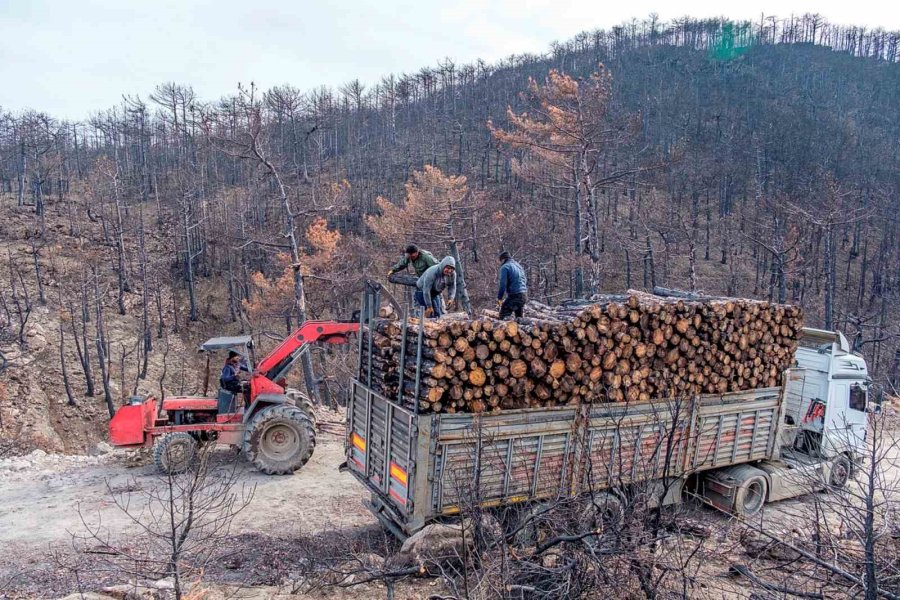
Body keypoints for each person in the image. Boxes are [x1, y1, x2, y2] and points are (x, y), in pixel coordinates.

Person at [496, 250, 527, 319]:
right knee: (519, 318)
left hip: (515, 295)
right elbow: (525, 280)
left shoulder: (505, 267)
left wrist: (499, 298)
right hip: (524, 295)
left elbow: (502, 284)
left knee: (504, 313)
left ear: (503, 259)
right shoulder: (518, 265)